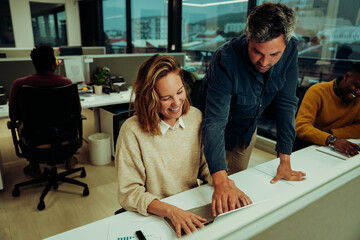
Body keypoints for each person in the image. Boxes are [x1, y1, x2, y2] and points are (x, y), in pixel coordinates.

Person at [196, 2, 306, 217]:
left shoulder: (291, 50)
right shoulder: (225, 58)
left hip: (246, 132)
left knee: (236, 194)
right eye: (257, 52)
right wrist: (220, 180)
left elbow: (286, 103)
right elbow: (215, 120)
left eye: (275, 54)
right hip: (211, 134)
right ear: (247, 36)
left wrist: (285, 161)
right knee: (204, 191)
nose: (264, 62)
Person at [115, 54, 212, 238]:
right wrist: (170, 211)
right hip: (155, 215)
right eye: (166, 98)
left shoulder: (196, 117)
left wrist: (223, 183)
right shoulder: (132, 132)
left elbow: (204, 166)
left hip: (190, 206)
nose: (177, 103)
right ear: (150, 98)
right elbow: (129, 192)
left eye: (180, 91)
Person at [8, 45, 78, 177]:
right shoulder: (67, 83)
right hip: (65, 137)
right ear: (54, 64)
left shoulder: (19, 84)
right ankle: (69, 157)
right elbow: (77, 111)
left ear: (34, 64)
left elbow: (13, 115)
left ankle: (34, 165)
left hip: (35, 139)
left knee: (21, 124)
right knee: (70, 122)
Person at [295, 62, 360, 156]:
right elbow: (301, 127)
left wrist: (332, 133)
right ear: (346, 77)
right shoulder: (318, 91)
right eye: (357, 86)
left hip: (331, 146)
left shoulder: (358, 99)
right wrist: (331, 139)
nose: (358, 92)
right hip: (306, 146)